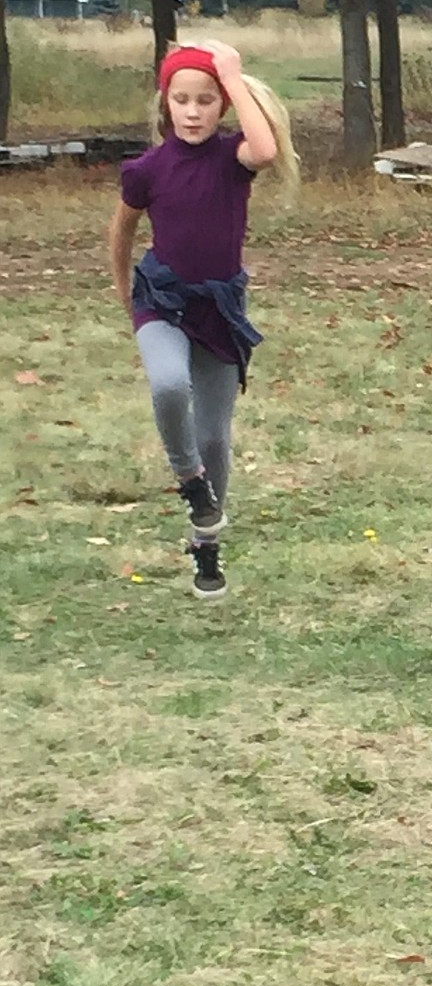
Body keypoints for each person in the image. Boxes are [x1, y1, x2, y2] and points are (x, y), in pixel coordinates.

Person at [108, 41, 298, 598]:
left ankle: (206, 548)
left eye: (206, 101)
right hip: (159, 300)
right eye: (182, 100)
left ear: (222, 108)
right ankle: (190, 482)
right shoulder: (146, 169)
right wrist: (127, 296)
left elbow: (266, 149)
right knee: (169, 386)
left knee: (214, 436)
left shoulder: (232, 160)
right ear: (166, 104)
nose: (193, 112)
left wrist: (234, 75)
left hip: (217, 310)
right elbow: (121, 233)